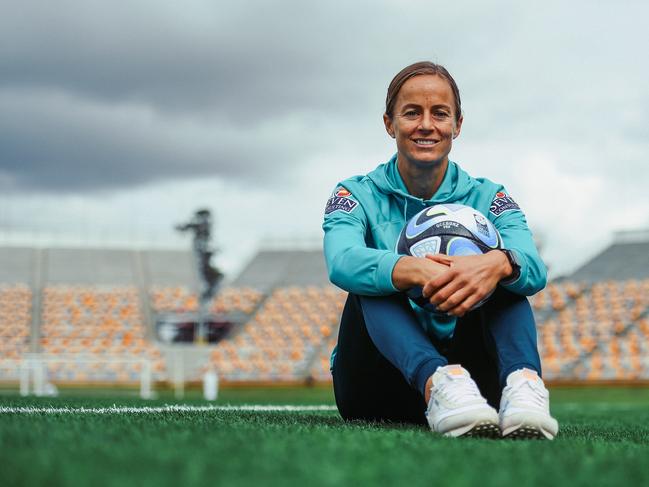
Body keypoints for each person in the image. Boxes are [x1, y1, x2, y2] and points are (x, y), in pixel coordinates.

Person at [322, 61, 558, 439]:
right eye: (412, 112)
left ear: (457, 125)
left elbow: (533, 268)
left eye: (440, 113)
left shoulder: (490, 197)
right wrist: (414, 270)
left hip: (478, 393)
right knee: (371, 282)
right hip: (377, 388)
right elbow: (342, 261)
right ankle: (438, 382)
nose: (427, 125)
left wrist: (495, 264)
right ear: (390, 124)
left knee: (505, 272)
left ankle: (524, 387)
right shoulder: (355, 194)